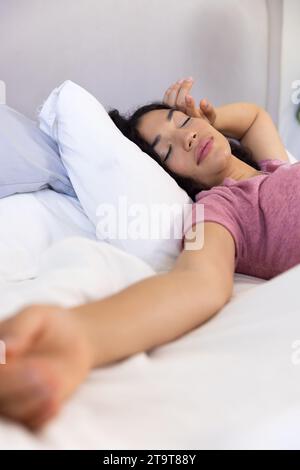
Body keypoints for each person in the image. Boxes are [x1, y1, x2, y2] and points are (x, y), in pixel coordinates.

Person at [0, 77, 296, 430]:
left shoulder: (275, 167)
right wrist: (81, 334)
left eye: (183, 123)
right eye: (168, 151)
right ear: (170, 176)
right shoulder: (219, 209)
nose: (186, 138)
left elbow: (254, 119)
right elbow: (198, 282)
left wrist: (206, 119)